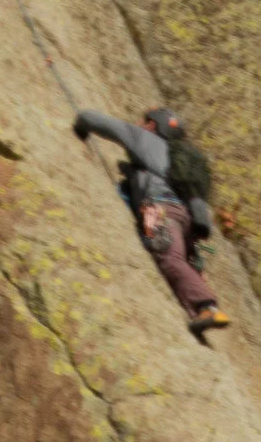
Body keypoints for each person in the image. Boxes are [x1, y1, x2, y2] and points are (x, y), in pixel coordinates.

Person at [73, 107, 230, 334]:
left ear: (152, 125)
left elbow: (94, 120)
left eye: (143, 121)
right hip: (185, 218)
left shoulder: (147, 140)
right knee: (180, 257)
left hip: (158, 208)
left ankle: (208, 307)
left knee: (168, 256)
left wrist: (81, 125)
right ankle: (200, 299)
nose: (138, 123)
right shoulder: (180, 160)